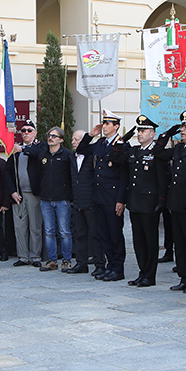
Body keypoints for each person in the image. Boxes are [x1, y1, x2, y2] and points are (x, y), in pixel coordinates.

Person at [78, 112, 129, 281]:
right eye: (104, 123)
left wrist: (121, 200)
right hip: (99, 196)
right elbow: (82, 149)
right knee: (103, 234)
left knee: (115, 234)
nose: (105, 126)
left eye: (108, 124)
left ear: (116, 126)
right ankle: (109, 266)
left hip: (113, 198)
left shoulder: (122, 145)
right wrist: (91, 135)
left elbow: (123, 176)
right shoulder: (100, 143)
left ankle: (118, 268)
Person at [156, 111, 186, 293]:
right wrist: (168, 132)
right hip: (174, 203)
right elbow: (158, 152)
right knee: (180, 244)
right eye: (181, 127)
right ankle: (184, 277)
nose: (182, 130)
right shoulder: (179, 148)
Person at [125, 116, 165, 286]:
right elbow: (117, 154)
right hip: (135, 201)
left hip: (149, 202)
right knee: (138, 240)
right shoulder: (135, 151)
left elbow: (162, 178)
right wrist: (124, 138)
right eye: (139, 130)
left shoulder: (156, 152)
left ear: (153, 134)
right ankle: (142, 272)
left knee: (150, 240)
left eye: (143, 131)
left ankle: (150, 274)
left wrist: (161, 201)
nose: (140, 134)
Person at [6, 124, 44, 267]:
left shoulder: (39, 146)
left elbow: (38, 153)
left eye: (29, 131)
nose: (26, 133)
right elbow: (7, 172)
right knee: (20, 227)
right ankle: (23, 256)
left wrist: (23, 149)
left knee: (35, 226)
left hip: (34, 194)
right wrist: (12, 191)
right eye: (23, 131)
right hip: (19, 195)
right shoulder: (16, 151)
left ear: (35, 133)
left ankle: (35, 256)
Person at [39, 127, 75, 271]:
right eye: (49, 135)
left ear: (61, 139)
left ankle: (66, 260)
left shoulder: (67, 155)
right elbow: (39, 175)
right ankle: (52, 260)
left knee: (64, 231)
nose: (50, 138)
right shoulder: (42, 155)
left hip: (62, 199)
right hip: (46, 199)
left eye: (54, 136)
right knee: (49, 231)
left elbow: (72, 176)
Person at [66, 130, 94, 273]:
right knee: (79, 234)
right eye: (72, 139)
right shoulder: (71, 156)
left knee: (95, 233)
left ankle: (99, 262)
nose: (73, 142)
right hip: (77, 201)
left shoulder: (91, 156)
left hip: (91, 201)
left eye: (76, 139)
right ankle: (81, 263)